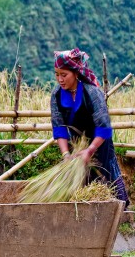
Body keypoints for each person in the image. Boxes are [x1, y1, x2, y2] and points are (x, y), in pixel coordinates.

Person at [50, 48, 129, 207]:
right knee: (81, 173)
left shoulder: (92, 93)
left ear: (76, 73)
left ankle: (122, 208)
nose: (60, 79)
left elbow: (104, 127)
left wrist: (90, 150)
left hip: (99, 140)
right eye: (57, 74)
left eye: (64, 75)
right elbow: (58, 128)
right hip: (77, 140)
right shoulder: (57, 95)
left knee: (107, 169)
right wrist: (66, 154)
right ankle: (89, 208)